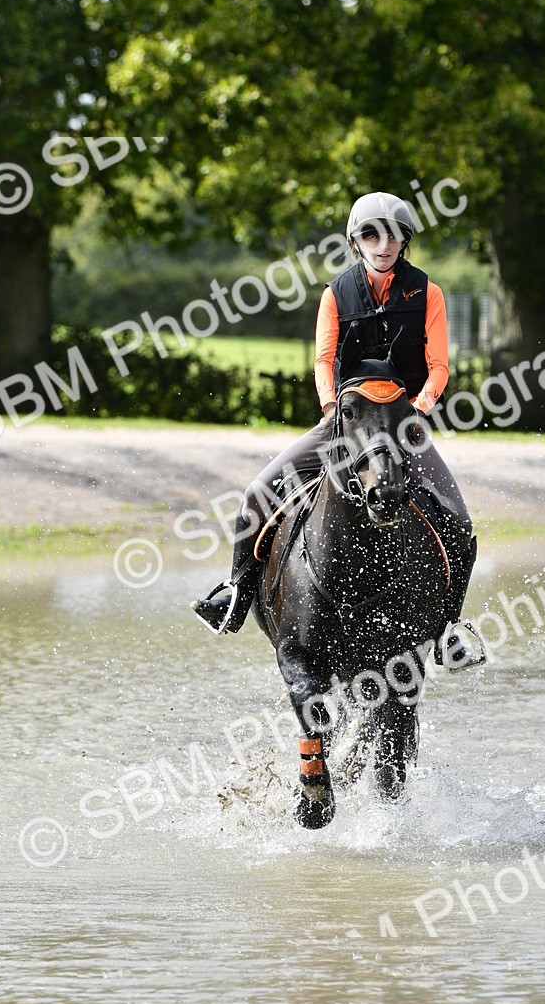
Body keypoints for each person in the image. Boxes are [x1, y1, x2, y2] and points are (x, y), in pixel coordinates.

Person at [192, 190, 484, 670]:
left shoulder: (428, 293)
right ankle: (237, 593)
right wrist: (331, 409)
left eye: (392, 235)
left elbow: (438, 367)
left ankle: (449, 628)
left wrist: (419, 408)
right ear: (356, 242)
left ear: (404, 241)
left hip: (402, 423)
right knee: (256, 495)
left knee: (458, 521)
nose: (382, 244)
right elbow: (323, 360)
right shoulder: (335, 294)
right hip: (344, 421)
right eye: (371, 234)